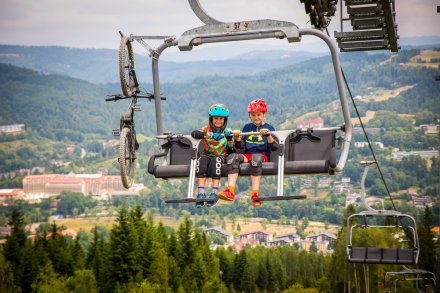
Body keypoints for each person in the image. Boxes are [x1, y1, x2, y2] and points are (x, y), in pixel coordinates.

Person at [218, 99, 278, 206]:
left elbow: (274, 147)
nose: (256, 118)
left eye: (259, 115)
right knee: (232, 157)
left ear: (264, 114)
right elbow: (241, 148)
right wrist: (237, 138)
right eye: (253, 115)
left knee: (255, 159)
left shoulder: (269, 128)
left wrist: (268, 135)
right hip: (248, 154)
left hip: (262, 155)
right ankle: (230, 190)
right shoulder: (247, 127)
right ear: (250, 116)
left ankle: (255, 194)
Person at [191, 103, 234, 208]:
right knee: (201, 161)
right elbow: (194, 133)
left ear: (225, 120)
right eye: (215, 118)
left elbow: (232, 148)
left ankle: (214, 193)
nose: (218, 121)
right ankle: (201, 193)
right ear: (211, 119)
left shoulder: (228, 132)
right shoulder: (206, 130)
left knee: (216, 162)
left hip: (221, 156)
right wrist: (208, 135)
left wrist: (229, 139)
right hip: (207, 155)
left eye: (221, 119)